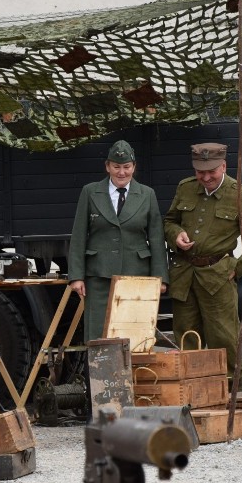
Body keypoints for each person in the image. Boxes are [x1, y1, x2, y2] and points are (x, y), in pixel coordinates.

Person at [163, 142, 242, 388]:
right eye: (200, 172)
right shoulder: (186, 189)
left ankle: (231, 391)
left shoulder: (240, 196)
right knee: (186, 336)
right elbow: (169, 221)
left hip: (218, 277)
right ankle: (190, 391)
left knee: (223, 336)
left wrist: (239, 267)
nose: (205, 177)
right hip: (184, 275)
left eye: (211, 171)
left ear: (223, 166)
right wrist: (176, 234)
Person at [68, 139, 169, 343]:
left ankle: (135, 375)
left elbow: (157, 238)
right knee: (98, 333)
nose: (121, 172)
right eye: (116, 167)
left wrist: (161, 278)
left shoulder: (147, 195)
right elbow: (78, 236)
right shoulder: (90, 192)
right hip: (98, 275)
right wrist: (76, 276)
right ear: (107, 167)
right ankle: (99, 375)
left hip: (136, 275)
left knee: (134, 334)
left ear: (134, 167)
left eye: (126, 167)